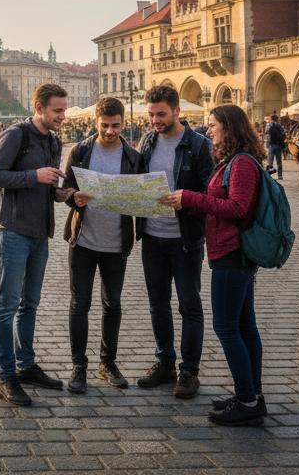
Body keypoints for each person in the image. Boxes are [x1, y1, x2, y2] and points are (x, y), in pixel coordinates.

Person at [161, 104, 266, 427]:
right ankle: (250, 395)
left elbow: (236, 207)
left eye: (213, 125)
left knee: (227, 327)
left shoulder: (243, 163)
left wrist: (190, 199)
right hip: (232, 254)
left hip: (232, 255)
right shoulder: (233, 161)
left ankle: (248, 400)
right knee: (245, 326)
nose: (209, 130)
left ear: (229, 128)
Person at [0, 83, 72, 406]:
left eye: (63, 110)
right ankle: (6, 375)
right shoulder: (15, 135)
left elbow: (47, 186)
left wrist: (60, 194)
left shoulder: (53, 140)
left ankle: (26, 365)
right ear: (39, 107)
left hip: (40, 231)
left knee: (30, 304)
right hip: (12, 228)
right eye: (57, 110)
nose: (62, 115)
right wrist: (34, 177)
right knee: (7, 304)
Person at [135, 85, 215, 400]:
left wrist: (187, 201)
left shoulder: (198, 146)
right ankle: (165, 362)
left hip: (185, 239)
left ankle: (190, 371)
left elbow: (211, 194)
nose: (155, 120)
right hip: (152, 237)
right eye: (151, 114)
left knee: (189, 305)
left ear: (177, 111)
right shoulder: (148, 141)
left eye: (161, 114)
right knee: (157, 304)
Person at [63, 96, 142, 394]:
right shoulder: (80, 151)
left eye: (116, 125)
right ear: (96, 123)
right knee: (79, 303)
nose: (110, 131)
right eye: (105, 126)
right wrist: (74, 197)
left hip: (116, 242)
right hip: (83, 239)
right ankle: (78, 366)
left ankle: (107, 363)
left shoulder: (133, 157)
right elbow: (64, 189)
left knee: (113, 304)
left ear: (124, 123)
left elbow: (141, 195)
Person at [264, 114, 285, 180]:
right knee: (279, 162)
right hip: (278, 145)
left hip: (271, 145)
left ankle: (270, 176)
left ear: (271, 119)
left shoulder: (269, 125)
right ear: (277, 119)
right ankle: (280, 176)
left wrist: (267, 144)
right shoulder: (280, 126)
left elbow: (266, 134)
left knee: (270, 161)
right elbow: (283, 134)